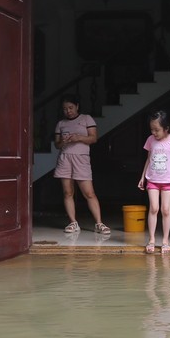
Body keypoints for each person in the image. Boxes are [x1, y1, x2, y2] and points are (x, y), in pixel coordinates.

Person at [53, 94, 110, 234]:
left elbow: (93, 138)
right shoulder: (61, 124)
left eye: (71, 107)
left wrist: (79, 138)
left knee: (89, 193)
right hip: (65, 158)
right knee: (67, 192)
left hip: (81, 159)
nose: (68, 111)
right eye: (65, 109)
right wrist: (63, 142)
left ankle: (99, 223)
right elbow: (57, 144)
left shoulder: (86, 118)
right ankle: (73, 223)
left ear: (77, 106)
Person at [137, 109, 170, 253]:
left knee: (166, 209)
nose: (154, 133)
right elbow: (148, 159)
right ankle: (151, 239)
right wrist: (142, 177)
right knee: (154, 208)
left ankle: (165, 240)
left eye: (157, 130)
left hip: (168, 181)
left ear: (166, 128)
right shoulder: (150, 140)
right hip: (152, 179)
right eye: (152, 129)